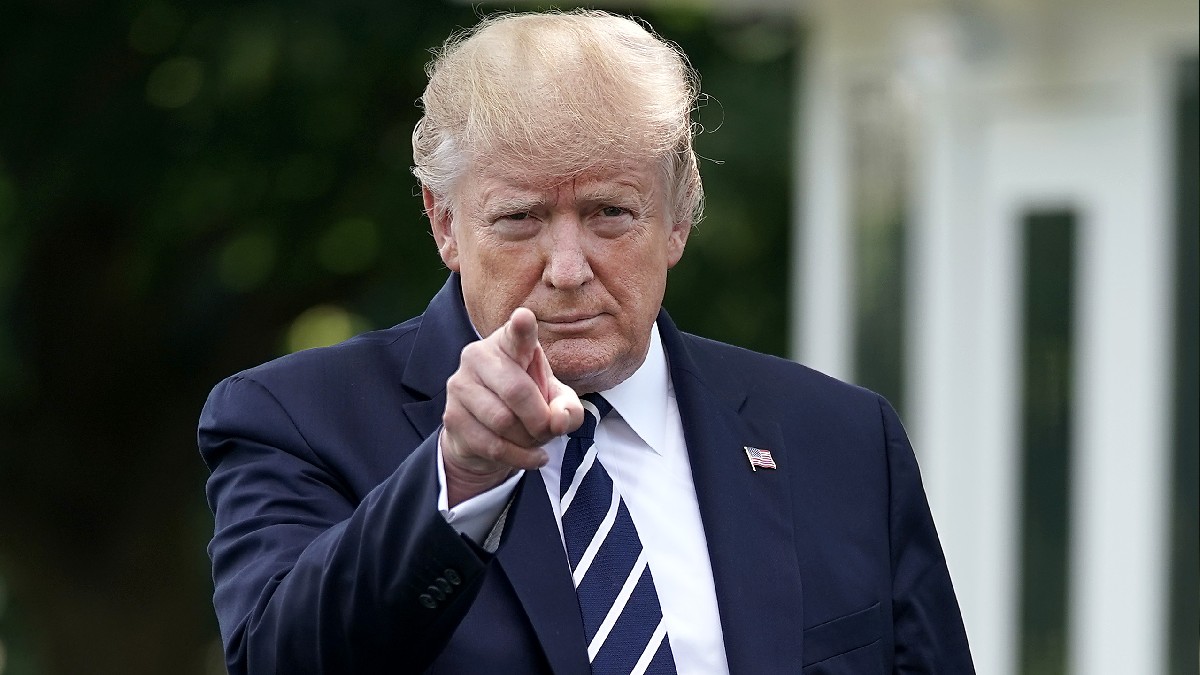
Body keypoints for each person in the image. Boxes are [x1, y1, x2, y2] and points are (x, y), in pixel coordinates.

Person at [198, 9, 974, 674]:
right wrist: (458, 478)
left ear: (678, 216)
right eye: (520, 218)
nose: (567, 269)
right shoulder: (297, 419)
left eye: (610, 212)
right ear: (444, 223)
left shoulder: (838, 437)